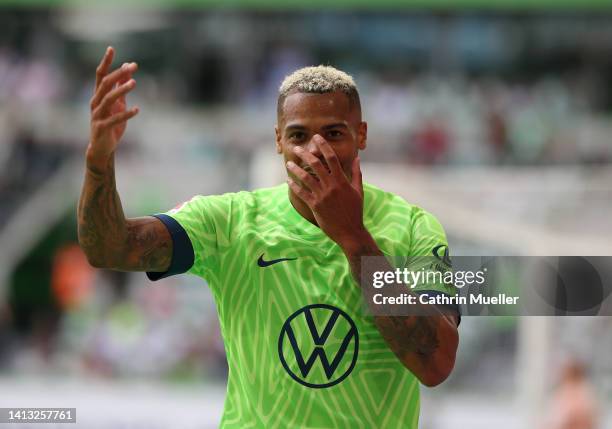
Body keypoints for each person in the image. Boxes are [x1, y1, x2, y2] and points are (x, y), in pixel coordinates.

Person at [78, 46, 459, 428]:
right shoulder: (231, 222)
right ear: (278, 141)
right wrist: (99, 162)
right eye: (298, 135)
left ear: (361, 135)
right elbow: (110, 248)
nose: (316, 150)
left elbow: (436, 364)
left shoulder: (414, 227)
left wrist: (353, 237)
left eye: (334, 133)